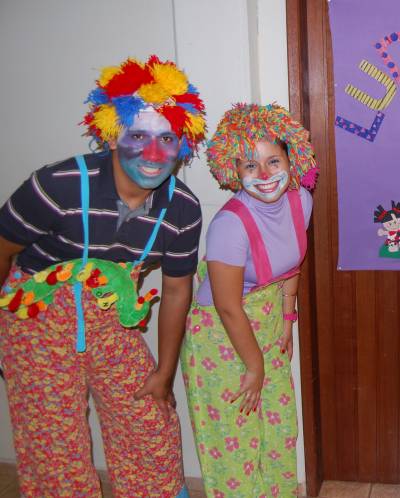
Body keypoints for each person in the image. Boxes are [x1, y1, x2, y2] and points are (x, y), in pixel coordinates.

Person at [0, 55, 206, 497]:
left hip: (112, 321)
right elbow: (2, 249)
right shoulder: (56, 185)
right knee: (54, 449)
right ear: (112, 135)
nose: (154, 154)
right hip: (37, 324)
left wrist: (164, 372)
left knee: (150, 426)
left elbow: (176, 291)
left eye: (167, 138)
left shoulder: (183, 210)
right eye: (138, 136)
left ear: (182, 145)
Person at [181, 103, 318, 497]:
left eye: (273, 161)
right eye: (250, 166)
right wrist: (254, 365)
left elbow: (291, 266)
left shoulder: (301, 201)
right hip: (220, 337)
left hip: (269, 322)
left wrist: (288, 320)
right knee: (235, 444)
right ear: (234, 171)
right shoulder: (229, 225)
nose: (265, 175)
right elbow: (227, 306)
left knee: (279, 430)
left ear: (291, 159)